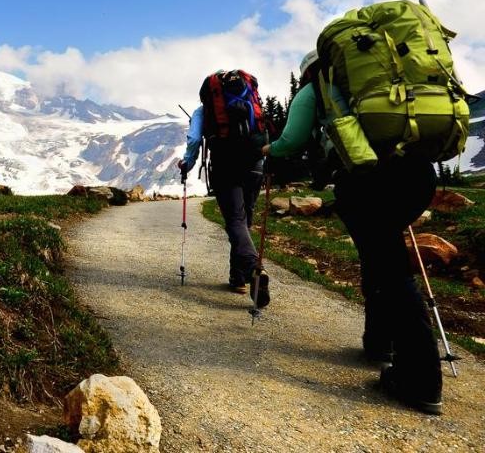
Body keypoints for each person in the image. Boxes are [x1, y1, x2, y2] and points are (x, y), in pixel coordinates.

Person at [262, 50, 442, 415]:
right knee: (383, 257)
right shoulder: (388, 78)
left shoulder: (316, 87)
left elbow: (293, 139)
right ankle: (380, 342)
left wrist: (271, 148)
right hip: (418, 173)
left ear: (309, 69)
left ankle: (421, 379)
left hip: (366, 179)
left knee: (388, 269)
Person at [178, 69, 269, 307]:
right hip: (254, 163)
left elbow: (195, 140)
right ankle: (237, 278)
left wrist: (186, 164)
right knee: (245, 219)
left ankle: (252, 268)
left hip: (225, 165)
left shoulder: (203, 111)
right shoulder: (251, 102)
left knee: (235, 221)